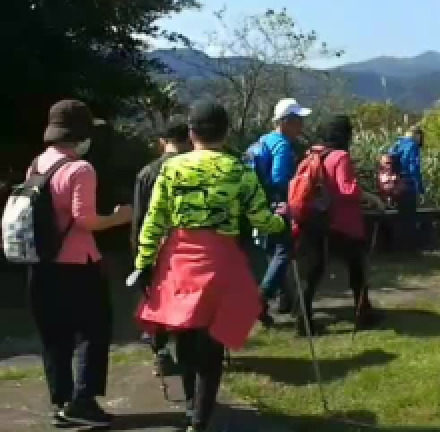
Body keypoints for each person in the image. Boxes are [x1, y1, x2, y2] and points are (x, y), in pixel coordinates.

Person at [134, 100, 287, 432]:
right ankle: (201, 419)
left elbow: (154, 221)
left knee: (185, 336)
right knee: (213, 343)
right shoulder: (239, 170)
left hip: (179, 260)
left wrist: (143, 263)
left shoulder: (171, 169)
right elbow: (261, 219)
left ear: (191, 133)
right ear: (226, 132)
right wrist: (282, 222)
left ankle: (192, 408)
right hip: (221, 261)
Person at [29, 100, 133, 428]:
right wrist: (119, 217)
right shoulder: (80, 169)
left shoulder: (38, 164)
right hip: (78, 264)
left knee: (55, 335)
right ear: (81, 134)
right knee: (94, 330)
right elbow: (85, 220)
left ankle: (61, 402)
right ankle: (84, 401)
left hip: (41, 262)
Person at [298, 114, 385, 336]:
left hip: (316, 221)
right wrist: (370, 197)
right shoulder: (340, 156)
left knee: (313, 272)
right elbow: (347, 189)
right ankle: (363, 313)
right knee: (357, 268)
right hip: (342, 224)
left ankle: (303, 319)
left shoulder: (314, 153)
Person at [131, 115, 191, 377]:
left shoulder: (147, 173)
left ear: (162, 141)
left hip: (155, 245)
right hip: (187, 247)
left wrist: (139, 257)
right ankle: (189, 352)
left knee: (156, 300)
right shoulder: (194, 168)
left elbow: (139, 219)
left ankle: (161, 352)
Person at [254, 98, 311, 322]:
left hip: (259, 205)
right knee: (284, 250)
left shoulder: (263, 140)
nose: (301, 126)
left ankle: (282, 300)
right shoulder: (282, 145)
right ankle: (261, 298)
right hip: (277, 205)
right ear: (285, 121)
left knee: (273, 252)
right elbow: (280, 179)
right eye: (298, 120)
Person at [389, 126, 424, 252]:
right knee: (410, 218)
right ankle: (409, 248)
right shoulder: (412, 146)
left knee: (401, 216)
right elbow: (414, 168)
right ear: (416, 135)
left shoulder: (397, 144)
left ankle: (398, 246)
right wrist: (420, 188)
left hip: (396, 185)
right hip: (408, 184)